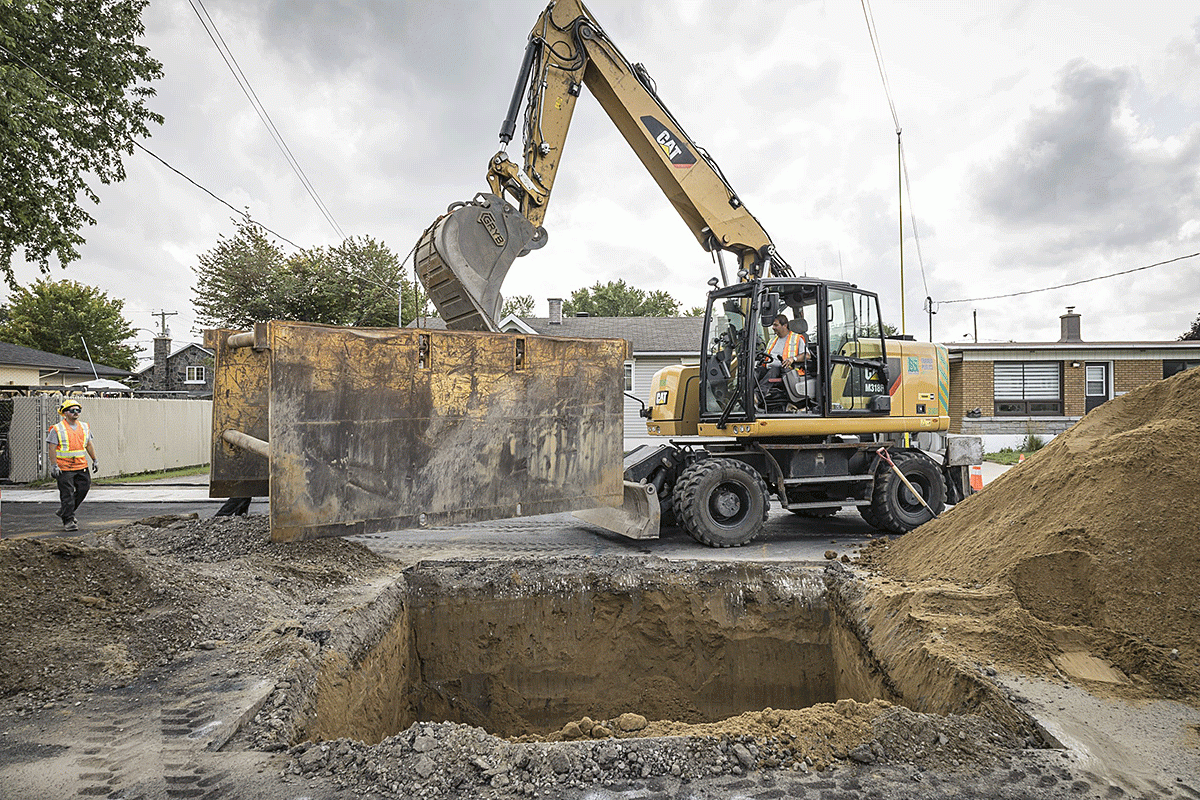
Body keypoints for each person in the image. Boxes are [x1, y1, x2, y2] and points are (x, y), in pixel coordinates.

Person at [46, 399, 99, 532]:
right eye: (72, 410)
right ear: (64, 413)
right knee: (67, 494)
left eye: (78, 410)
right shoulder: (57, 429)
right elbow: (52, 448)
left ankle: (65, 511)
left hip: (81, 466)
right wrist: (54, 465)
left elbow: (88, 444)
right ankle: (68, 520)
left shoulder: (84, 427)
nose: (76, 412)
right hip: (64, 468)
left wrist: (95, 460)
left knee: (84, 488)